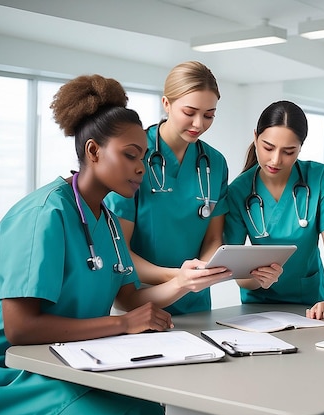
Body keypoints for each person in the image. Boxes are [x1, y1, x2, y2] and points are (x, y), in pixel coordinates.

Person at [0, 74, 232, 415]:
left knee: (151, 407)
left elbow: (129, 298)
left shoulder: (108, 221)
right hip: (5, 368)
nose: (141, 169)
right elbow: (20, 328)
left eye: (143, 157)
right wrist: (124, 325)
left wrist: (182, 282)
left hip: (69, 356)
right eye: (131, 155)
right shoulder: (44, 214)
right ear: (93, 151)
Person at [105, 61, 279, 314]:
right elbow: (119, 249)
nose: (199, 123)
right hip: (140, 299)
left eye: (209, 115)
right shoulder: (133, 156)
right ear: (166, 104)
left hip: (195, 304)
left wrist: (203, 271)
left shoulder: (215, 163)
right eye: (190, 112)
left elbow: (212, 238)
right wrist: (176, 277)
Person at [224, 100, 324, 319]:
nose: (275, 160)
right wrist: (258, 279)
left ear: (301, 147)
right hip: (259, 306)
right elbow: (234, 265)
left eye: (289, 151)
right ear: (255, 137)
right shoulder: (238, 191)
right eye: (268, 148)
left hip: (312, 303)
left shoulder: (319, 178)